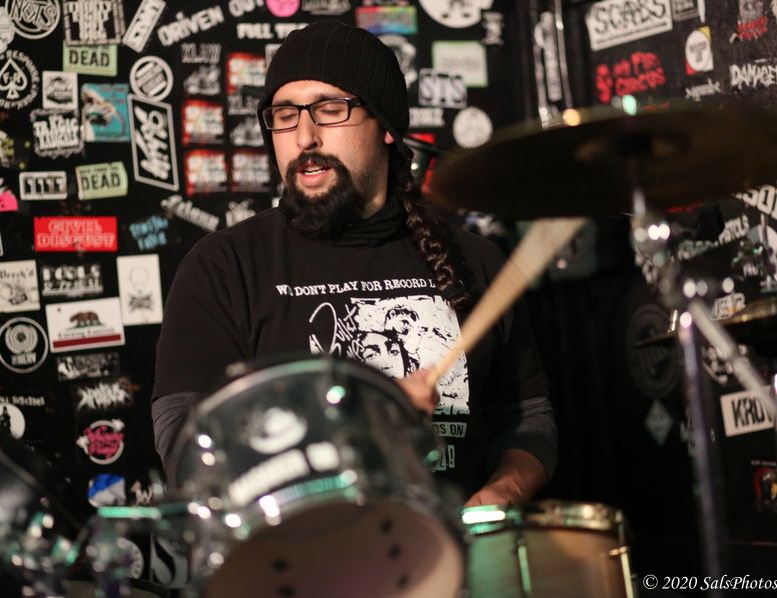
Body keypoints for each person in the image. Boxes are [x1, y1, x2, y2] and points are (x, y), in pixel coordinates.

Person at [152, 21, 556, 506]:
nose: (304, 137)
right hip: (296, 548)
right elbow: (187, 449)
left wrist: (502, 491)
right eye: (285, 115)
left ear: (385, 126)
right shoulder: (223, 268)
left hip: (451, 546)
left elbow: (526, 417)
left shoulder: (477, 261)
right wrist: (362, 419)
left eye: (329, 109)